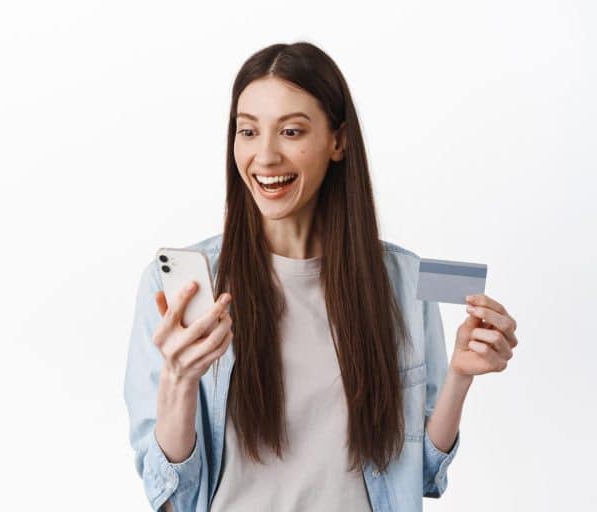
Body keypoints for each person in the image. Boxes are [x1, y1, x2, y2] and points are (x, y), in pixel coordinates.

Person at [123, 41, 519, 512]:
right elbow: (169, 496)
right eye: (247, 131)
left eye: (290, 131)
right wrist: (179, 381)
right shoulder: (177, 287)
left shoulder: (405, 279)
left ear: (338, 141)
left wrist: (459, 376)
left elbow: (424, 476)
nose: (265, 156)